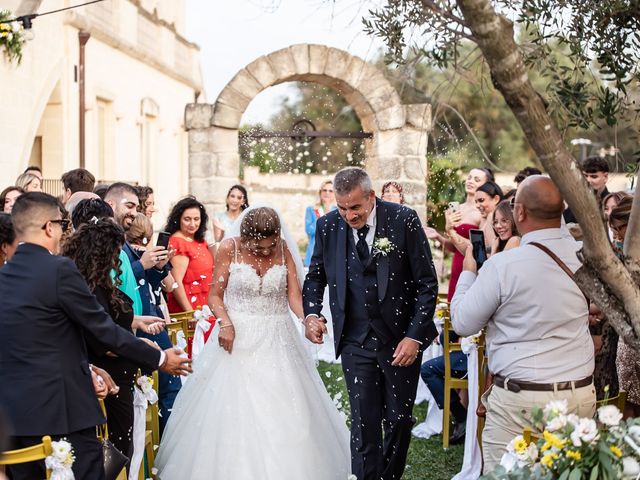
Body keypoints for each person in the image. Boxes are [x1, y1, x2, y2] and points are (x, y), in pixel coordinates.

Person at [0, 192, 191, 480]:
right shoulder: (59, 269)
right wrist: (160, 358)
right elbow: (103, 329)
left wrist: (88, 367)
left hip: (13, 422)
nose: (65, 231)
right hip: (63, 414)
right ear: (48, 227)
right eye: (63, 224)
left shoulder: (5, 276)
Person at [155, 206, 351, 479]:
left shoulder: (283, 250)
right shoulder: (229, 248)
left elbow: (294, 296)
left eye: (268, 247)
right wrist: (225, 322)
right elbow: (215, 296)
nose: (263, 253)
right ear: (246, 237)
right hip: (235, 337)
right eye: (258, 248)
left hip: (278, 336)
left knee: (288, 408)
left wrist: (308, 319)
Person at [451, 176, 595, 472]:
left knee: (506, 475)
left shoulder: (503, 266)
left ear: (520, 213)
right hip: (579, 394)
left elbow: (463, 322)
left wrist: (468, 273)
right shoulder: (584, 258)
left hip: (520, 400)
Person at [302, 167, 439, 480]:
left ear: (371, 197)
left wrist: (415, 337)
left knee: (400, 419)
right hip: (355, 339)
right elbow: (316, 276)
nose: (349, 215)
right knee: (364, 422)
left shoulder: (403, 219)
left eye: (356, 208)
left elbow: (427, 283)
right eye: (342, 207)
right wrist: (312, 314)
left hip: (400, 339)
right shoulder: (328, 226)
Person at [63, 219, 165, 463]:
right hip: (110, 378)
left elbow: (114, 322)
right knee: (117, 452)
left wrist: (136, 321)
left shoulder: (98, 282)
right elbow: (104, 339)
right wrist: (145, 349)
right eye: (115, 251)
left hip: (120, 376)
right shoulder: (90, 288)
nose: (118, 258)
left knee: (122, 448)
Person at [425, 168, 487, 300]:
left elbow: (479, 249)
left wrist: (450, 230)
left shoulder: (482, 212)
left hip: (472, 266)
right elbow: (454, 247)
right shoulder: (457, 209)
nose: (470, 181)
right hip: (456, 264)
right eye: (469, 177)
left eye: (476, 180)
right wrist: (438, 236)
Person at [164, 196, 214, 313]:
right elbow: (176, 282)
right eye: (187, 219)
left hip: (205, 306)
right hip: (190, 309)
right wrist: (190, 313)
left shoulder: (200, 241)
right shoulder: (178, 242)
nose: (192, 224)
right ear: (178, 219)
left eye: (196, 219)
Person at [564, 156, 610, 224]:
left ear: (605, 177)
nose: (588, 180)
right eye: (585, 176)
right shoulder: (576, 201)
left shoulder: (612, 202)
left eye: (594, 176)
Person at [304, 180, 336, 266]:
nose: (327, 193)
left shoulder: (338, 211)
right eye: (324, 190)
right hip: (314, 252)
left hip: (332, 255)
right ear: (320, 192)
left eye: (330, 191)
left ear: (335, 193)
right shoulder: (311, 209)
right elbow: (309, 230)